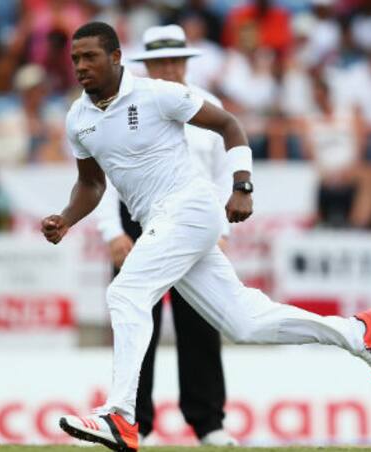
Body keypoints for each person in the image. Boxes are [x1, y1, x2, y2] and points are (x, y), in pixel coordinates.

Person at [41, 22, 371, 452]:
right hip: (159, 219)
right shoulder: (78, 117)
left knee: (124, 293)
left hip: (189, 207)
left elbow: (230, 125)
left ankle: (121, 414)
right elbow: (92, 184)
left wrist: (242, 185)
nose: (80, 66)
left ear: (116, 57)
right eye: (75, 59)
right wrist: (66, 218)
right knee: (245, 323)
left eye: (90, 57)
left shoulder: (157, 94)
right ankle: (359, 333)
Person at [95, 24, 236, 447]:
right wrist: (112, 232)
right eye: (161, 62)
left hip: (194, 221)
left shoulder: (209, 105)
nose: (169, 68)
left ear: (186, 63)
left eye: (175, 60)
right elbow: (103, 175)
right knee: (136, 323)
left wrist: (221, 229)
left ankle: (209, 422)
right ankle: (135, 421)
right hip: (138, 217)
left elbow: (223, 174)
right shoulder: (123, 106)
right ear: (147, 66)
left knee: (202, 323)